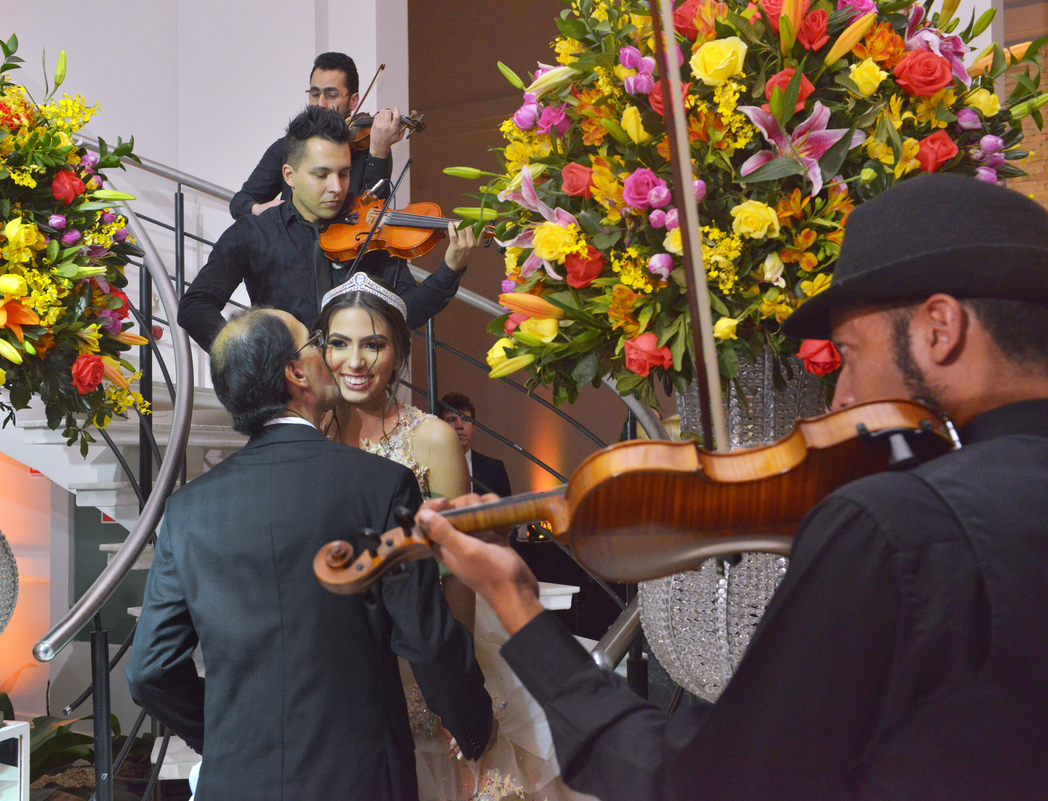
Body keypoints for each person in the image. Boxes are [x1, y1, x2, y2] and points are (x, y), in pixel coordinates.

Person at [413, 173, 1048, 800]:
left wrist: (518, 605)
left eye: (849, 354)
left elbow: (700, 786)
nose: (845, 398)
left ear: (940, 329)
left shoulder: (898, 522)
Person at [126, 307, 494, 800]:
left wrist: (221, 740)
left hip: (235, 780)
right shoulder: (380, 486)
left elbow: (150, 671)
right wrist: (472, 722)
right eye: (316, 345)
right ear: (297, 373)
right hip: (360, 775)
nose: (329, 357)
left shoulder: (188, 509)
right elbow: (425, 637)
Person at [314, 275, 592, 801]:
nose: (355, 361)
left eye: (373, 345)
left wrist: (455, 684)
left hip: (424, 645)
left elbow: (460, 564)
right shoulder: (316, 431)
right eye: (339, 343)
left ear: (399, 353)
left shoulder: (432, 437)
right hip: (343, 653)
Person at [178, 105, 476, 352]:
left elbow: (407, 311)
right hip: (285, 394)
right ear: (289, 175)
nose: (337, 188)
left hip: (356, 390)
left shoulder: (370, 229)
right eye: (321, 175)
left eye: (344, 173)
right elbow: (195, 307)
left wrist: (450, 268)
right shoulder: (253, 233)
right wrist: (245, 357)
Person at [229, 52, 405, 219]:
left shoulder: (372, 147)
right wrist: (259, 209)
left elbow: (371, 215)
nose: (321, 103)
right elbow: (239, 202)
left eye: (332, 95)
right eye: (315, 94)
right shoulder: (288, 146)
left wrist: (379, 153)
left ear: (353, 101)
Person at [438, 393, 511, 497]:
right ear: (440, 427)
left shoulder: (494, 469)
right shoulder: (427, 469)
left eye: (465, 419)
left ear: (473, 427)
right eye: (451, 420)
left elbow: (505, 510)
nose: (459, 426)